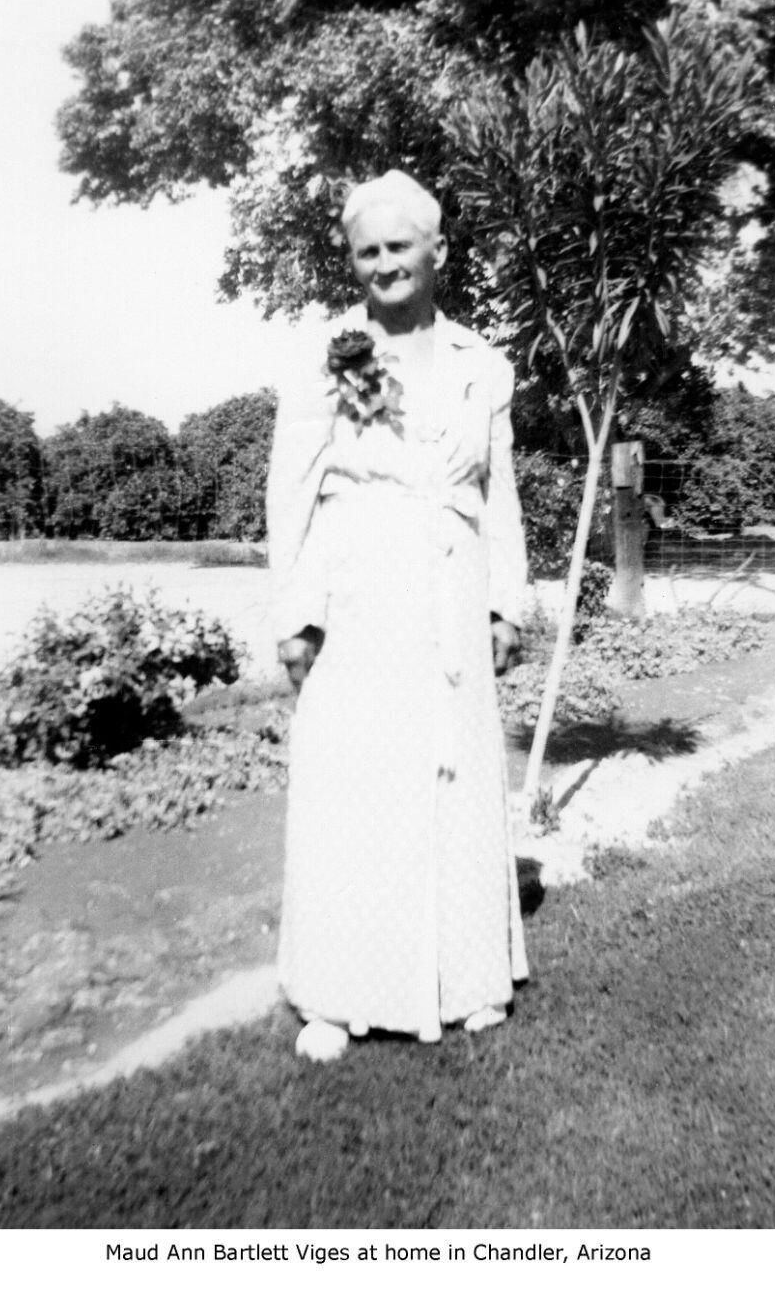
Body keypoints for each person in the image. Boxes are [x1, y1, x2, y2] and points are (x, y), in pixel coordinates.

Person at [266, 170, 529, 1062]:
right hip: (359, 593)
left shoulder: (481, 363)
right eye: (365, 251)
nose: (382, 264)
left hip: (453, 585)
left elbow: (498, 494)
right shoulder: (324, 357)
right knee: (355, 782)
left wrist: (505, 602)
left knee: (452, 778)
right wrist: (295, 612)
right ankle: (337, 993)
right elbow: (291, 494)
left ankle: (466, 979)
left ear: (437, 251)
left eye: (398, 246)